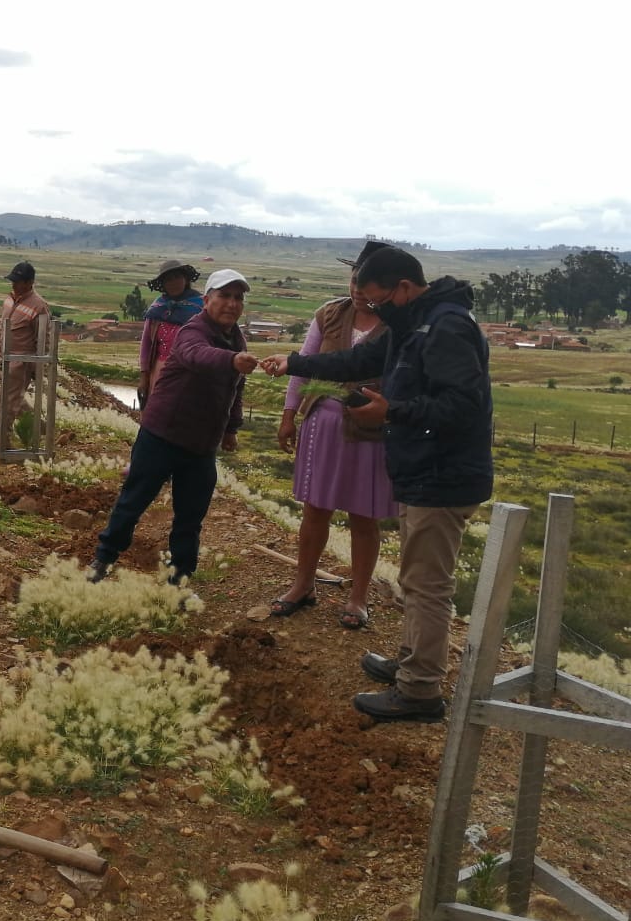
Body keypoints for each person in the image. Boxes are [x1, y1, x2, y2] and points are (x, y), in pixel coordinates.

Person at [260, 246, 493, 724]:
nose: (373, 308)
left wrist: (394, 412)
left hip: (443, 474)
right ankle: (411, 662)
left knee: (427, 586)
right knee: (415, 578)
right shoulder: (414, 323)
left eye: (378, 299)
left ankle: (420, 691)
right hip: (421, 469)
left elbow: (464, 407)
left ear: (403, 287)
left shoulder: (446, 327)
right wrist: (295, 362)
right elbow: (358, 359)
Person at [89, 269, 258, 585]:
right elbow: (197, 356)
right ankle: (103, 559)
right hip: (162, 435)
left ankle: (179, 580)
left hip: (202, 445)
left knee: (190, 518)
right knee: (133, 502)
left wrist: (232, 428)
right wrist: (232, 360)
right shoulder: (193, 330)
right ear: (206, 300)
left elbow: (236, 388)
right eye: (224, 296)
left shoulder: (236, 339)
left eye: (238, 298)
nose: (232, 303)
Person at [269, 243, 395, 628]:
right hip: (322, 425)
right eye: (353, 279)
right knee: (315, 510)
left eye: (365, 282)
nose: (357, 288)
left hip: (370, 432)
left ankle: (358, 598)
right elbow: (302, 367)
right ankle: (303, 585)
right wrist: (288, 417)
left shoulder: (398, 325)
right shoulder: (329, 314)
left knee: (364, 517)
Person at [138, 259, 204, 409]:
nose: (174, 282)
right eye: (168, 279)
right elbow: (146, 344)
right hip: (159, 371)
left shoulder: (201, 307)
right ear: (163, 284)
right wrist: (144, 376)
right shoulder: (157, 308)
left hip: (189, 372)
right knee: (157, 413)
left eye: (177, 277)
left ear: (185, 279)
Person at [0, 261, 50, 423]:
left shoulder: (39, 306)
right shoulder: (9, 300)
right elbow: (4, 327)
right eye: (13, 281)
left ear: (29, 283)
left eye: (18, 282)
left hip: (21, 361)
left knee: (7, 400)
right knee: (14, 397)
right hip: (6, 357)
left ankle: (2, 433)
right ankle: (36, 424)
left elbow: (43, 339)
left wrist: (36, 366)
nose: (14, 285)